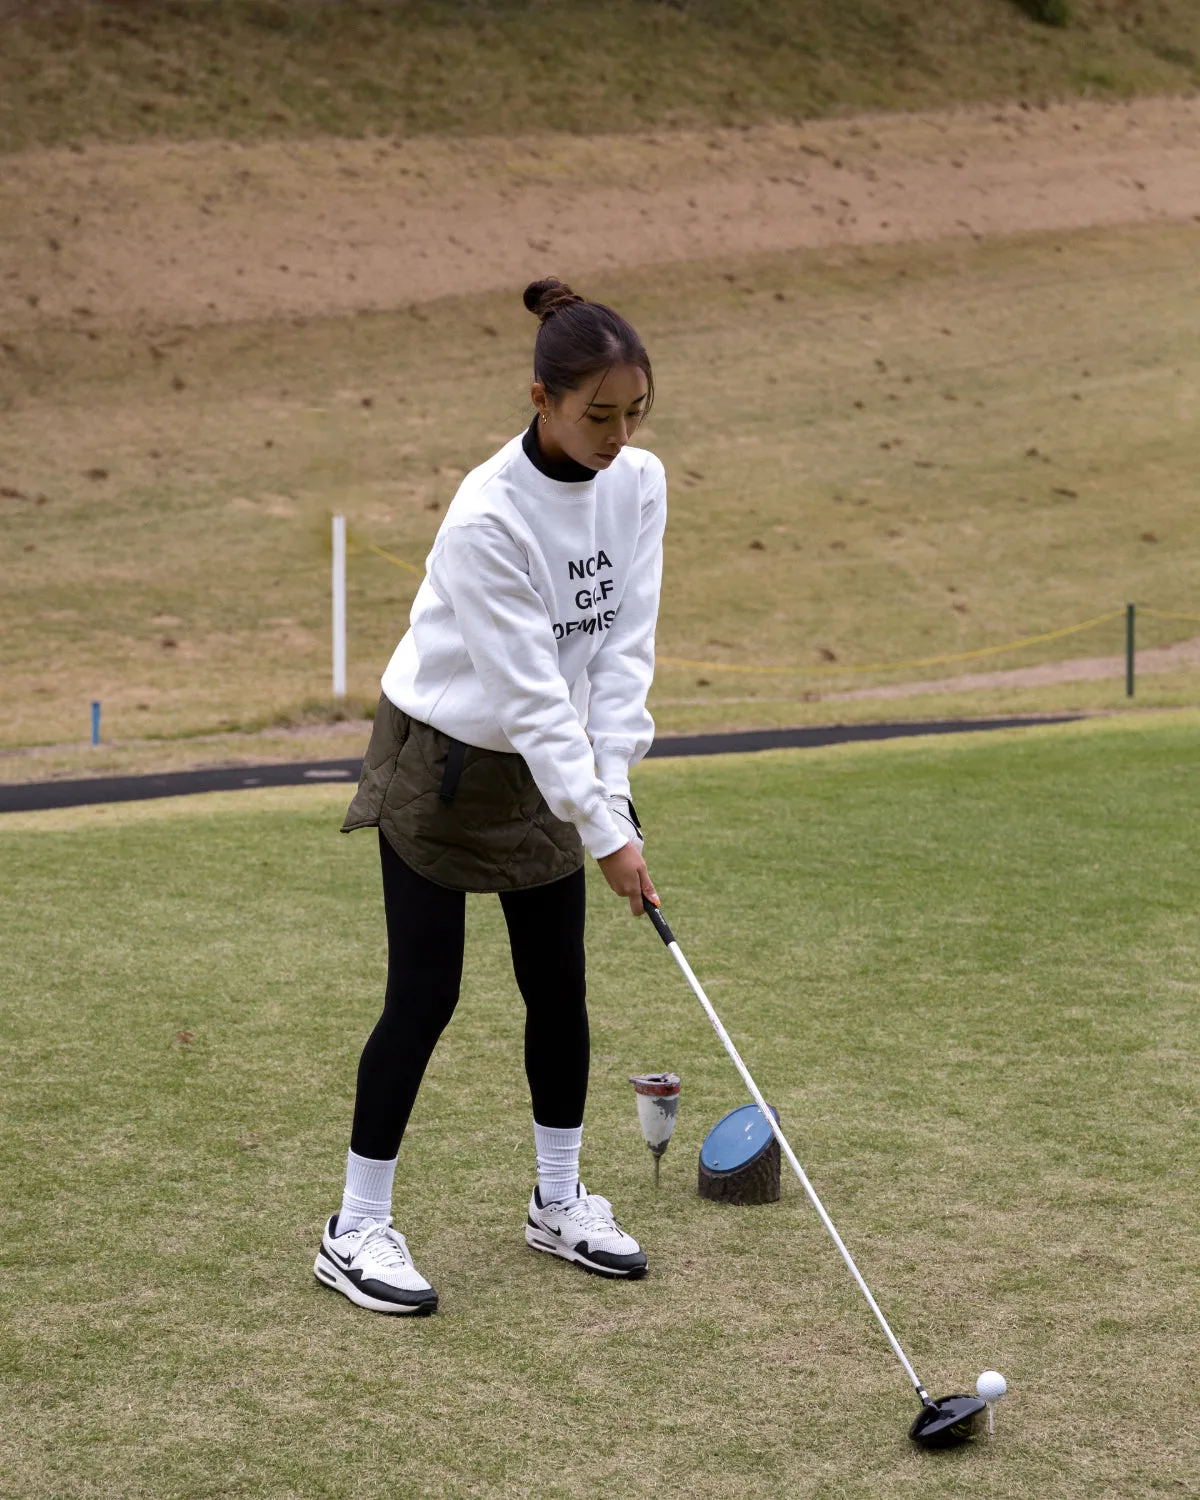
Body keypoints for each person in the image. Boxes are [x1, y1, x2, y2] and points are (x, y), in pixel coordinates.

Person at [312, 276, 668, 1315]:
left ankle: (558, 1202)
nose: (616, 434)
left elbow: (618, 656)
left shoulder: (638, 484)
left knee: (557, 986)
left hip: (548, 767)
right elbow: (527, 695)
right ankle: (354, 1226)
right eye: (596, 414)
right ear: (541, 398)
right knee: (426, 991)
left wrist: (615, 793)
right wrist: (603, 833)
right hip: (447, 756)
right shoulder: (488, 518)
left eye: (633, 412)